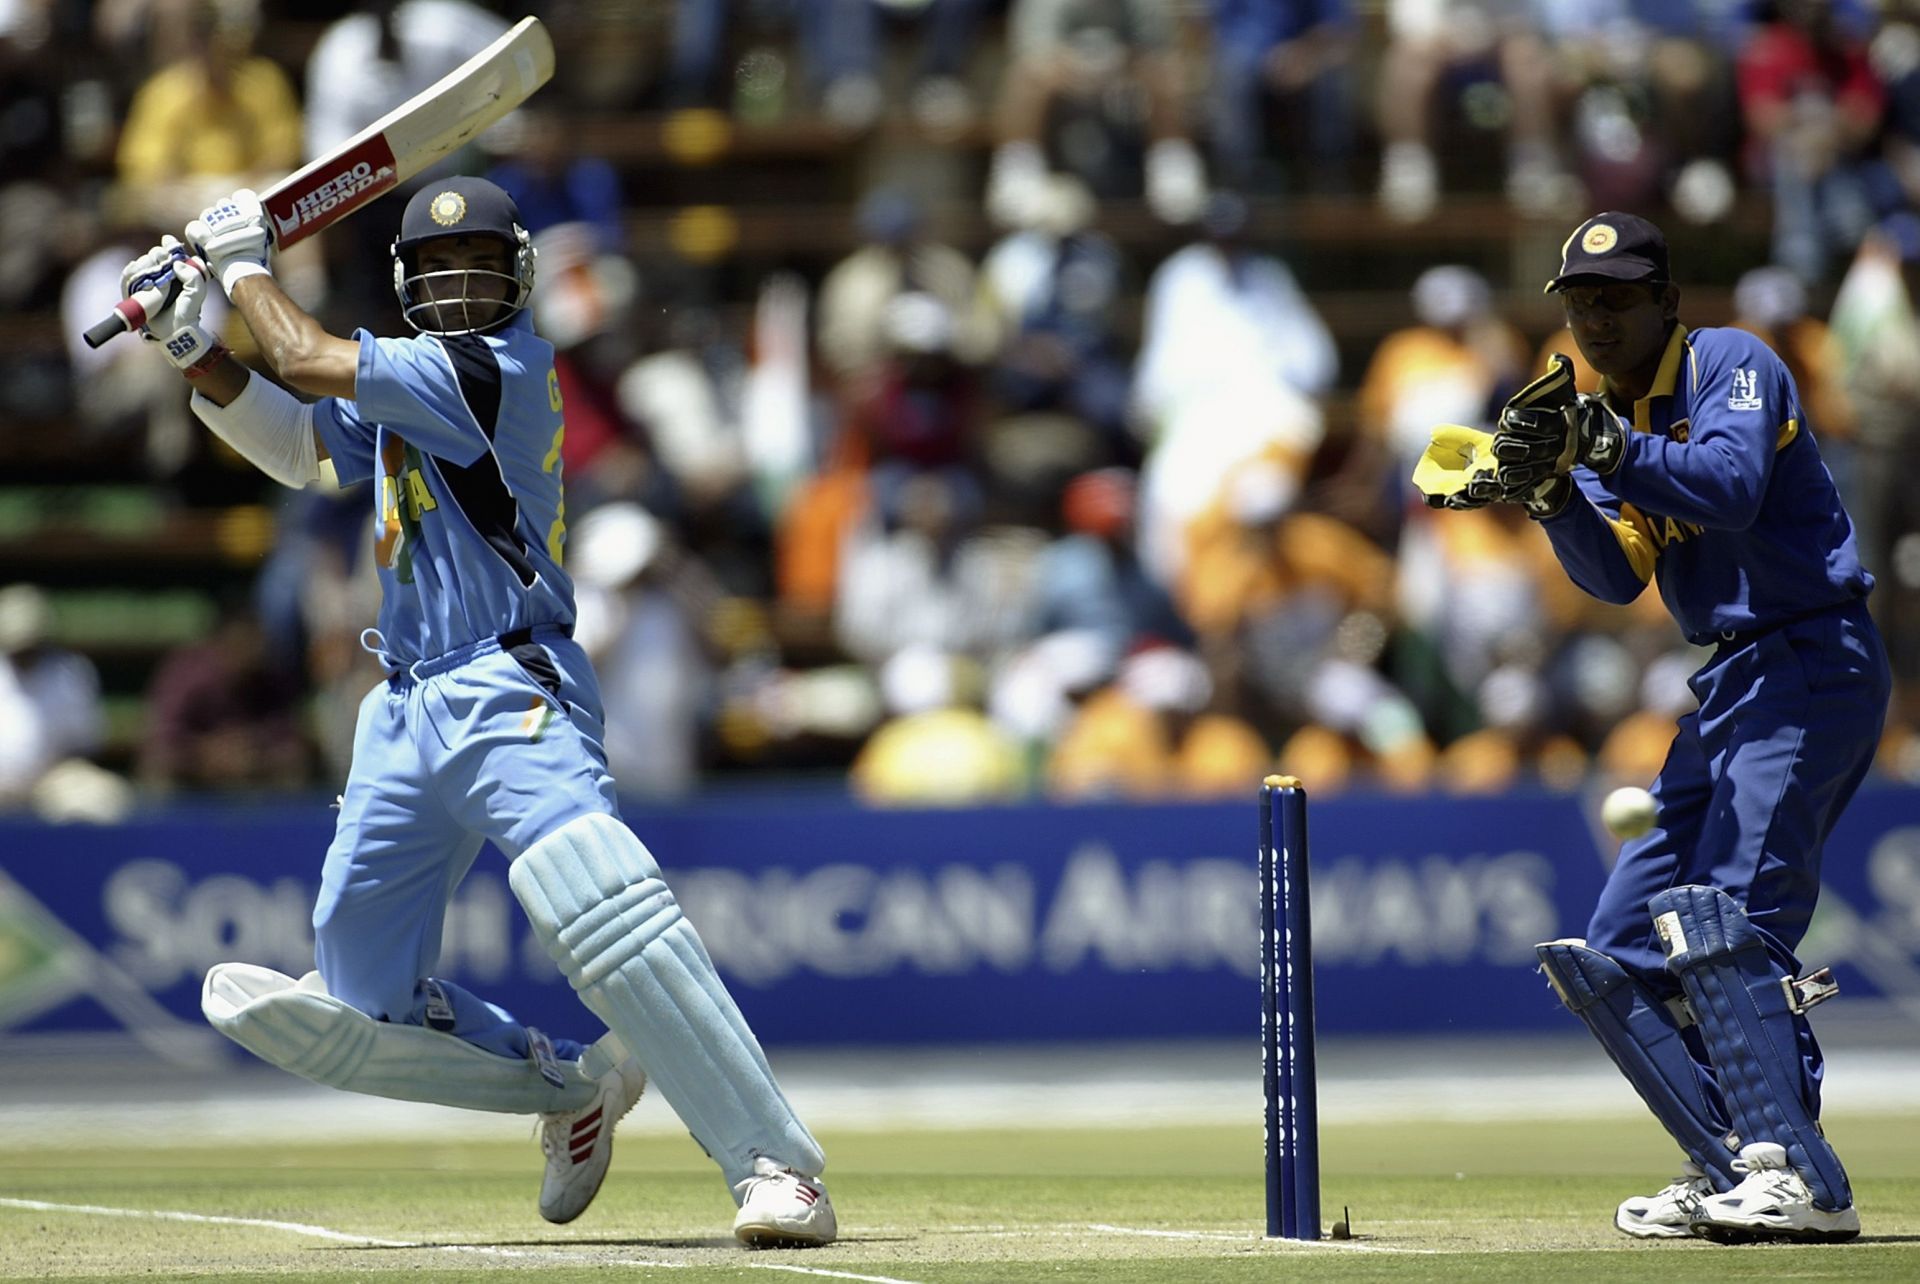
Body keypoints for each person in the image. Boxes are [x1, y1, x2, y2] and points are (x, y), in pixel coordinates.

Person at [114, 177, 835, 1246]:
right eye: (439, 274)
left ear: (518, 282)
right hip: (402, 707)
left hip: (508, 684)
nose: (458, 291)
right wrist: (191, 346)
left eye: (480, 271)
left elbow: (308, 358)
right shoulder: (405, 389)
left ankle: (777, 1166)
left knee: (593, 899)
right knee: (359, 1000)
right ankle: (569, 1090)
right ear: (408, 285)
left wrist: (242, 266)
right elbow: (306, 451)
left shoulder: (496, 371)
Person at [1433, 211, 1886, 1242]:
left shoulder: (1731, 361)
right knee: (1620, 946)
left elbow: (1727, 490)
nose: (1596, 318)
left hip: (1810, 656)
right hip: (1731, 684)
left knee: (1736, 922)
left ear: (1666, 302)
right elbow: (1614, 575)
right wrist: (1549, 493)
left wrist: (1600, 442)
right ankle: (1728, 1161)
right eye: (1580, 301)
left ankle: (1797, 1177)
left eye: (1618, 297)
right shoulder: (1606, 413)